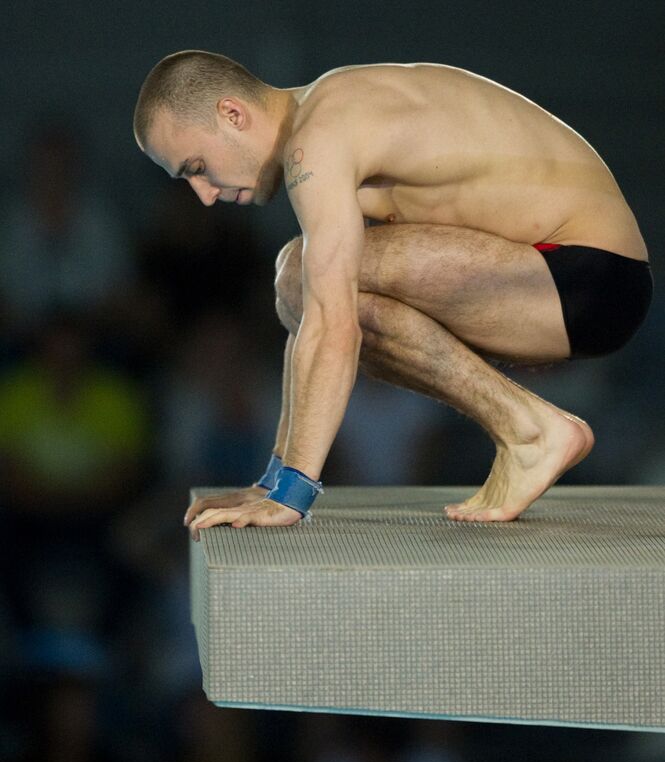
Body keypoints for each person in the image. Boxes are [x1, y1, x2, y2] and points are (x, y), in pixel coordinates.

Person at [132, 50, 653, 532]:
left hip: (589, 274)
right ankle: (529, 428)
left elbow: (330, 325)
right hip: (564, 275)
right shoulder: (330, 112)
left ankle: (530, 430)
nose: (203, 196)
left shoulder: (321, 135)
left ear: (232, 114)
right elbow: (316, 314)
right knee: (302, 280)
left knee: (300, 276)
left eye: (196, 169)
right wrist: (268, 481)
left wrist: (290, 494)